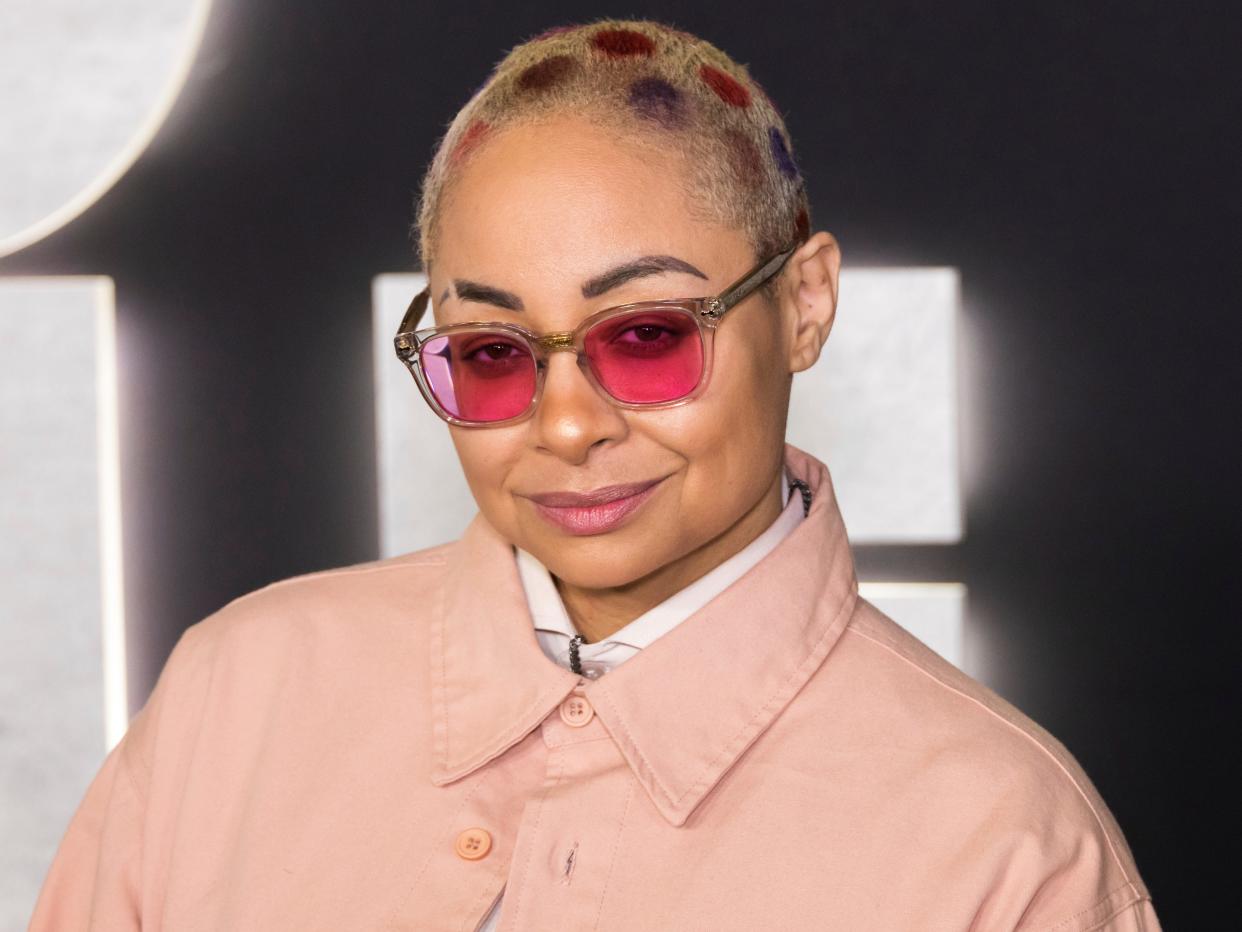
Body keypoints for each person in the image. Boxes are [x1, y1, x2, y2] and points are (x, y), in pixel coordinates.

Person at [30, 18, 1159, 930]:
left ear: (804, 303)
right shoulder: (241, 693)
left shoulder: (999, 837)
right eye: (491, 352)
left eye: (649, 334)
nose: (566, 425)